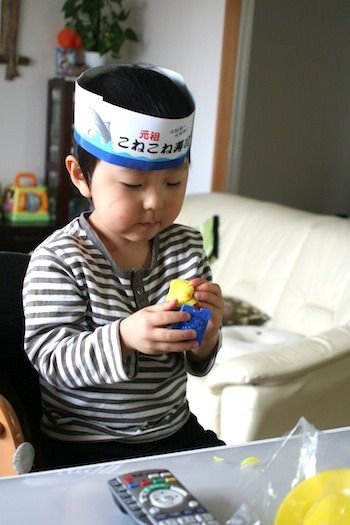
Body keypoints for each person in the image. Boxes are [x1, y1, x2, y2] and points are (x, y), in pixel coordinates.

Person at [23, 64, 225, 470]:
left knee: (233, 485)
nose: (156, 202)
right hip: (84, 443)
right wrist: (124, 337)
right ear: (81, 176)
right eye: (133, 185)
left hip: (172, 430)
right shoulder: (60, 258)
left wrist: (206, 337)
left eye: (173, 183)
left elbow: (195, 359)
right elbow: (51, 358)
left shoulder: (185, 247)